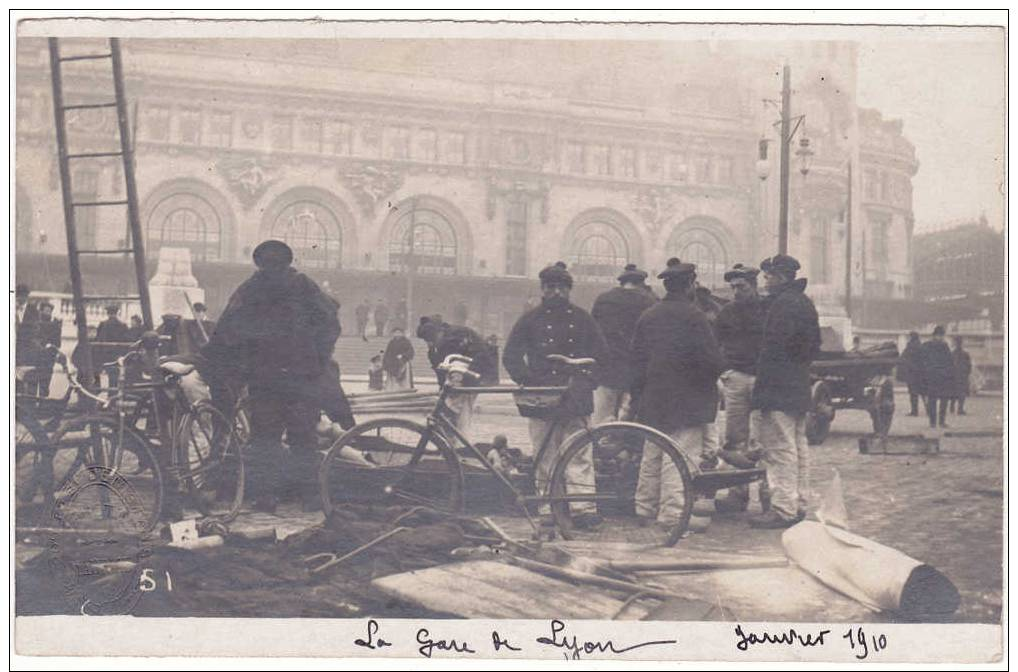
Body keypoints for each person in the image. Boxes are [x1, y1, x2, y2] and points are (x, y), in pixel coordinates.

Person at [201, 239, 340, 512]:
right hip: (301, 376)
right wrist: (318, 358)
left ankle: (268, 497)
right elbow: (330, 323)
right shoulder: (305, 286)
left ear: (259, 263)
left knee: (266, 438)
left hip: (266, 376)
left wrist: (217, 356)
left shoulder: (252, 288)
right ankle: (310, 496)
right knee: (303, 437)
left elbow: (228, 328)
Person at [503, 261, 609, 529]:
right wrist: (529, 381)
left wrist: (588, 381)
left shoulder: (583, 319)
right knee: (544, 453)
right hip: (542, 396)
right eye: (551, 287)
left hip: (575, 394)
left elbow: (602, 356)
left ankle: (583, 509)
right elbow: (511, 355)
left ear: (569, 290)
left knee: (579, 453)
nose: (557, 293)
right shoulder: (530, 319)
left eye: (562, 287)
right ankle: (547, 507)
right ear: (542, 289)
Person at [630, 258, 726, 534]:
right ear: (689, 286)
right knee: (679, 459)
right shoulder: (695, 317)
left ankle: (644, 507)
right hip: (686, 402)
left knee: (652, 454)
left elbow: (635, 362)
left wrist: (640, 397)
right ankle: (672, 518)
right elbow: (711, 362)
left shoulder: (649, 315)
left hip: (654, 399)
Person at [748, 254, 821, 529]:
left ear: (780, 277)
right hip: (798, 386)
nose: (765, 281)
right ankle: (799, 503)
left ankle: (783, 509)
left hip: (777, 387)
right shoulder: (804, 304)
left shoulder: (781, 306)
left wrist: (762, 392)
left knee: (779, 449)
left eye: (767, 276)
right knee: (798, 447)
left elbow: (771, 352)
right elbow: (814, 347)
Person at [713, 264, 769, 513]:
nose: (736, 292)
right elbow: (716, 343)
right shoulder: (726, 313)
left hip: (762, 379)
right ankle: (738, 494)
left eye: (742, 287)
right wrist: (725, 371)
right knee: (734, 438)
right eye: (733, 287)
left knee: (763, 439)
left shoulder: (768, 310)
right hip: (735, 378)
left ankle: (769, 494)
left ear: (754, 286)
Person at [589, 263, 657, 427]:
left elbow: (593, 332)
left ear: (622, 282)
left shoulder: (603, 299)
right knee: (628, 419)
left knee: (602, 417)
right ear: (640, 283)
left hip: (606, 369)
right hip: (634, 370)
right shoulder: (649, 302)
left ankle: (600, 449)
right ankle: (624, 449)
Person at [417, 315, 496, 439]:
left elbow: (480, 356)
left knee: (462, 412)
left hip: (471, 376)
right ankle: (450, 442)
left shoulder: (458, 336)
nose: (429, 343)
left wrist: (464, 380)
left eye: (430, 340)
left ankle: (460, 444)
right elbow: (440, 370)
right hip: (456, 381)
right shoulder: (437, 347)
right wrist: (442, 389)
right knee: (450, 412)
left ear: (439, 332)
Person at [917, 325, 955, 429]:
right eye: (942, 335)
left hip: (931, 377)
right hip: (942, 377)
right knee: (943, 400)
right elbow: (950, 362)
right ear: (940, 335)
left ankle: (933, 422)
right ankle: (941, 422)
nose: (942, 337)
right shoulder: (944, 346)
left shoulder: (926, 345)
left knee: (932, 400)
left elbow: (921, 362)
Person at [29, 301, 63, 397]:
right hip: (35, 358)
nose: (47, 313)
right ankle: (33, 403)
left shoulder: (55, 325)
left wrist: (59, 328)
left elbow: (58, 344)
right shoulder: (34, 324)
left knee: (45, 383)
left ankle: (42, 404)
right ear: (40, 311)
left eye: (49, 311)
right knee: (33, 383)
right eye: (46, 311)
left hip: (48, 359)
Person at [96, 304, 131, 388]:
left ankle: (111, 392)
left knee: (108, 372)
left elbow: (98, 338)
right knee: (115, 373)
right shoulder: (123, 325)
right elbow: (126, 340)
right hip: (117, 353)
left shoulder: (103, 324)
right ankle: (113, 392)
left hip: (105, 353)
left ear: (108, 313)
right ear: (117, 313)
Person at [897, 331, 924, 416]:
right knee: (923, 393)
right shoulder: (921, 346)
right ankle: (929, 410)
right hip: (920, 373)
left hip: (911, 374)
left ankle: (914, 411)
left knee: (913, 393)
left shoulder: (910, 347)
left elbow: (903, 358)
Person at [949, 336, 972, 415]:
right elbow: (969, 365)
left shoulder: (952, 354)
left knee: (954, 392)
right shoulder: (965, 354)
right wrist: (967, 373)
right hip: (962, 376)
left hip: (954, 376)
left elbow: (949, 365)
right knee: (961, 393)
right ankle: (960, 409)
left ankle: (952, 406)